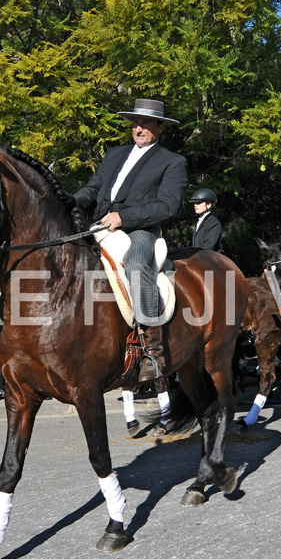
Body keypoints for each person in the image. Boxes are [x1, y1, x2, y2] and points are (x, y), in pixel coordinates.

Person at [74, 98, 187, 382]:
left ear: (160, 127)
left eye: (146, 123)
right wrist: (71, 201)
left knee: (136, 264)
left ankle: (153, 351)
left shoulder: (173, 162)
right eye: (136, 123)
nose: (139, 128)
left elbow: (168, 207)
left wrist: (124, 219)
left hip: (141, 229)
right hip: (101, 225)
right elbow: (94, 186)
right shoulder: (114, 154)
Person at [191, 188, 223, 252]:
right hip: (198, 258)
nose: (195, 205)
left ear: (208, 205)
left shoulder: (213, 223)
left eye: (199, 203)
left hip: (211, 259)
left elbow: (208, 247)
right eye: (195, 203)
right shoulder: (200, 221)